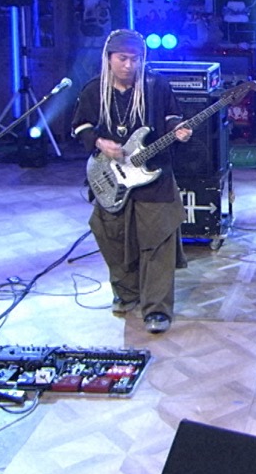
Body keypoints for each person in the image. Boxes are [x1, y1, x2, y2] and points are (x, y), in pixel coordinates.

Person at [71, 29, 192, 334]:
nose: (128, 65)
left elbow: (172, 117)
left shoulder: (156, 86)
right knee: (110, 235)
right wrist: (100, 142)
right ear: (109, 58)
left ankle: (157, 310)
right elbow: (80, 127)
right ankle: (126, 293)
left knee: (158, 239)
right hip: (112, 177)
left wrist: (179, 129)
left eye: (135, 59)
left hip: (154, 176)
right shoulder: (93, 90)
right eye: (122, 58)